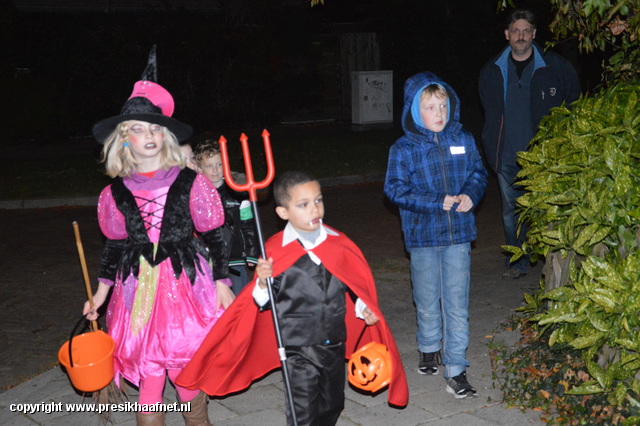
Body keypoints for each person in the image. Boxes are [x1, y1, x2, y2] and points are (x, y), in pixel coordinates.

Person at [176, 171, 409, 425]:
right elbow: (260, 302)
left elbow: (355, 284)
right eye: (303, 204)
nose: (314, 209)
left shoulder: (338, 243)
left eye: (318, 200)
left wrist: (364, 307)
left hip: (333, 340)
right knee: (303, 409)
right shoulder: (275, 250)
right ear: (283, 213)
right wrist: (263, 281)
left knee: (333, 403)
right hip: (296, 345)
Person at [83, 49, 235, 426]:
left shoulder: (191, 182)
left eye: (155, 128)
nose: (148, 135)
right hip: (139, 289)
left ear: (165, 136)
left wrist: (222, 281)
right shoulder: (114, 193)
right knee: (149, 371)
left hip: (187, 285)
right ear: (123, 139)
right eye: (137, 128)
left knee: (186, 370)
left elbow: (215, 234)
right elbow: (116, 246)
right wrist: (100, 295)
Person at [384, 72, 487, 399]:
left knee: (456, 304)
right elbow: (394, 189)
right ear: (415, 112)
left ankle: (456, 369)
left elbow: (478, 173)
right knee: (428, 300)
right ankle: (428, 346)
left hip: (458, 234)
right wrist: (436, 201)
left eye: (443, 105)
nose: (439, 113)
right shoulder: (403, 148)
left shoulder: (464, 139)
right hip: (422, 236)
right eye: (430, 107)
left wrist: (472, 192)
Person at [479, 8, 581, 279]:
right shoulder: (492, 70)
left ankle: (553, 264)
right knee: (511, 214)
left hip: (546, 159)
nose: (521, 36)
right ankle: (518, 261)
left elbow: (573, 104)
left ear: (534, 34)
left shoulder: (556, 67)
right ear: (507, 34)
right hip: (507, 155)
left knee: (548, 212)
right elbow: (488, 112)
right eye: (516, 31)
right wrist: (492, 148)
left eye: (526, 31)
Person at [194, 139, 260, 295]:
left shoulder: (238, 193)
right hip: (209, 260)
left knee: (239, 299)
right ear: (199, 168)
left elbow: (248, 224)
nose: (215, 170)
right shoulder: (196, 195)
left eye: (219, 164)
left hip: (234, 257)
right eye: (209, 166)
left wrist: (251, 252)